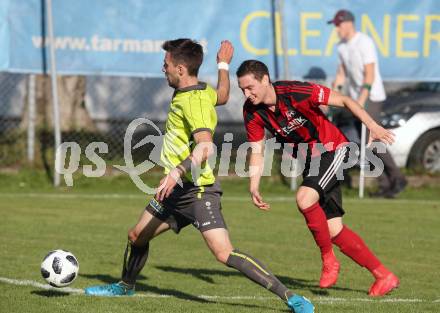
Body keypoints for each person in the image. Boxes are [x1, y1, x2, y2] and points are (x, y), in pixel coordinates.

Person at [84, 39, 314, 313]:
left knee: (224, 253)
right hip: (175, 191)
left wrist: (176, 172)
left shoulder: (192, 101)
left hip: (197, 191)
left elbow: (205, 146)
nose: (163, 68)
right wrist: (223, 65)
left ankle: (291, 297)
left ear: (180, 69)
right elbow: (224, 96)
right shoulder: (201, 91)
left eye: (166, 64)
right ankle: (125, 286)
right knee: (136, 236)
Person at [236, 59, 400, 296]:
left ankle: (329, 260)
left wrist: (372, 125)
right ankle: (384, 275)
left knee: (304, 198)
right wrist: (253, 185)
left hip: (335, 149)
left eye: (250, 87)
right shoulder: (251, 111)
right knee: (333, 230)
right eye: (242, 89)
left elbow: (344, 100)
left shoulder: (295, 92)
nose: (246, 93)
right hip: (312, 162)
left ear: (265, 79)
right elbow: (257, 150)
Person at [328, 9, 407, 198]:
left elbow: (369, 75)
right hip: (357, 99)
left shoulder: (365, 43)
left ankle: (396, 178)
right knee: (367, 143)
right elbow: (342, 72)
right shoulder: (341, 47)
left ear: (347, 23)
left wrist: (361, 102)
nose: (336, 29)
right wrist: (337, 85)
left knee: (372, 140)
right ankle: (388, 184)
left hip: (371, 96)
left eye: (338, 25)